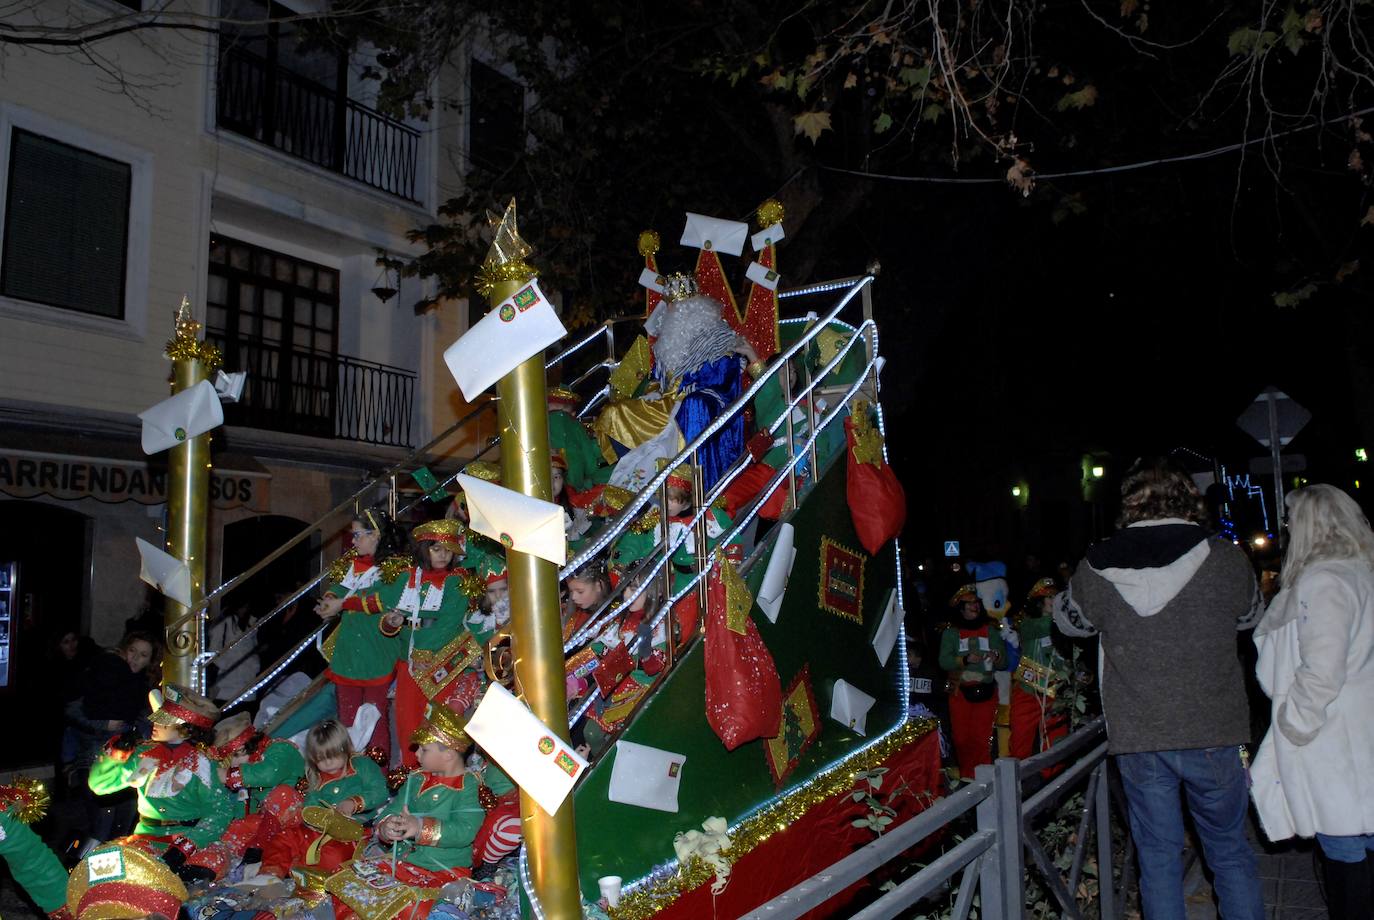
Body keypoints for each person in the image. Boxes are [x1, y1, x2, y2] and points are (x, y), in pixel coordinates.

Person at [1054, 458, 1264, 920]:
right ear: (1190, 499)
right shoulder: (1226, 557)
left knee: (1158, 861)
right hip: (1216, 730)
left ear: (1129, 504)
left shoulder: (1098, 564)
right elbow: (1252, 616)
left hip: (1140, 737)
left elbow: (1069, 624)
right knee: (1229, 853)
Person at [1250, 485, 1374, 918]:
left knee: (1345, 856)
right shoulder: (1362, 571)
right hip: (1359, 732)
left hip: (1333, 741)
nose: (1285, 528)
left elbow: (1322, 669)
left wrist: (1293, 724)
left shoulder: (1325, 580)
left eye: (1290, 520)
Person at [86, 684, 233, 884]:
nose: (155, 723)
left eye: (165, 722)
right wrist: (115, 755)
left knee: (206, 867)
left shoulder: (202, 764)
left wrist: (186, 847)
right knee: (105, 870)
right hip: (145, 838)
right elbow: (100, 786)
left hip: (187, 840)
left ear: (185, 730)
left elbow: (220, 812)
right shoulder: (143, 754)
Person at [378, 519, 484, 768]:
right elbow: (387, 617)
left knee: (436, 723)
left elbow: (448, 624)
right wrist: (392, 623)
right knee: (407, 721)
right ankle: (409, 775)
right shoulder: (406, 578)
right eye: (437, 549)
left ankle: (438, 775)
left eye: (448, 550)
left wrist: (420, 646)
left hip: (441, 664)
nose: (444, 555)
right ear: (424, 549)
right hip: (409, 665)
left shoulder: (456, 582)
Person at [375, 701, 518, 882]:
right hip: (404, 860)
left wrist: (420, 828)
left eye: (424, 749)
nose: (416, 753)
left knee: (414, 908)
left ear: (448, 755)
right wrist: (386, 827)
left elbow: (465, 831)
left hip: (444, 869)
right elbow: (394, 808)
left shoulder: (469, 786)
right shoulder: (416, 778)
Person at [313, 511, 409, 756]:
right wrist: (330, 598)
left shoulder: (397, 567)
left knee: (374, 721)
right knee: (347, 719)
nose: (353, 542)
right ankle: (351, 773)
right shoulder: (356, 565)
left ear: (376, 534)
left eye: (357, 535)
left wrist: (343, 604)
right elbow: (342, 586)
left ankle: (377, 775)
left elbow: (383, 599)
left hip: (376, 653)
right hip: (348, 655)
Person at [258, 718, 389, 878]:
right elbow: (310, 805)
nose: (327, 763)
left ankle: (301, 872)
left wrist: (354, 802)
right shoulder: (317, 779)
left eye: (333, 755)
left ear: (345, 748)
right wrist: (315, 816)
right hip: (321, 828)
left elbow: (380, 790)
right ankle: (270, 875)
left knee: (332, 856)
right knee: (285, 838)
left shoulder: (361, 765)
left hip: (354, 829)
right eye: (321, 758)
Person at [938, 585, 1006, 779]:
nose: (974, 607)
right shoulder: (950, 634)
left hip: (985, 691)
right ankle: (968, 777)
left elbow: (1004, 662)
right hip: (959, 692)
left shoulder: (991, 631)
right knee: (961, 739)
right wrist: (964, 660)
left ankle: (982, 779)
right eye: (969, 604)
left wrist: (996, 656)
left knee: (981, 738)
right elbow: (943, 661)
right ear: (961, 608)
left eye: (976, 603)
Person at [1008, 577, 1070, 762]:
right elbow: (1044, 626)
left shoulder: (1064, 626)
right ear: (1039, 602)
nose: (1054, 601)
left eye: (1056, 596)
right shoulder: (1028, 624)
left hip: (1054, 691)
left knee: (1056, 742)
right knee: (1020, 741)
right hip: (1028, 689)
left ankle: (1054, 782)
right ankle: (1015, 784)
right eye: (1050, 597)